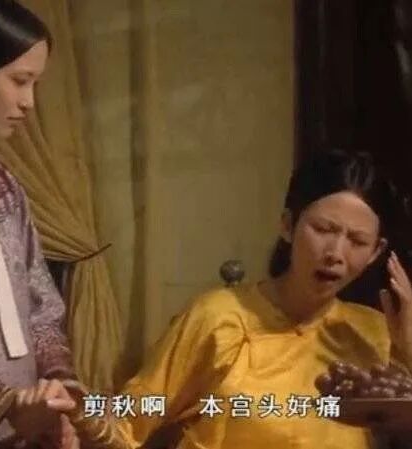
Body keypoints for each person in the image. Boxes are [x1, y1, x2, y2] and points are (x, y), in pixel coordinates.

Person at [111, 149, 412, 449]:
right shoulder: (217, 317)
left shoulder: (375, 333)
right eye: (322, 229)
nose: (335, 253)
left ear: (375, 251)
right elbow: (129, 418)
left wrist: (406, 350)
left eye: (357, 241)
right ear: (287, 225)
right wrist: (88, 416)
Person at [0, 0, 78, 447]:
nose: (28, 102)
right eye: (18, 81)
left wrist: (57, 387)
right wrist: (2, 405)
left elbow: (40, 301)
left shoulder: (3, 184)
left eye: (34, 84)